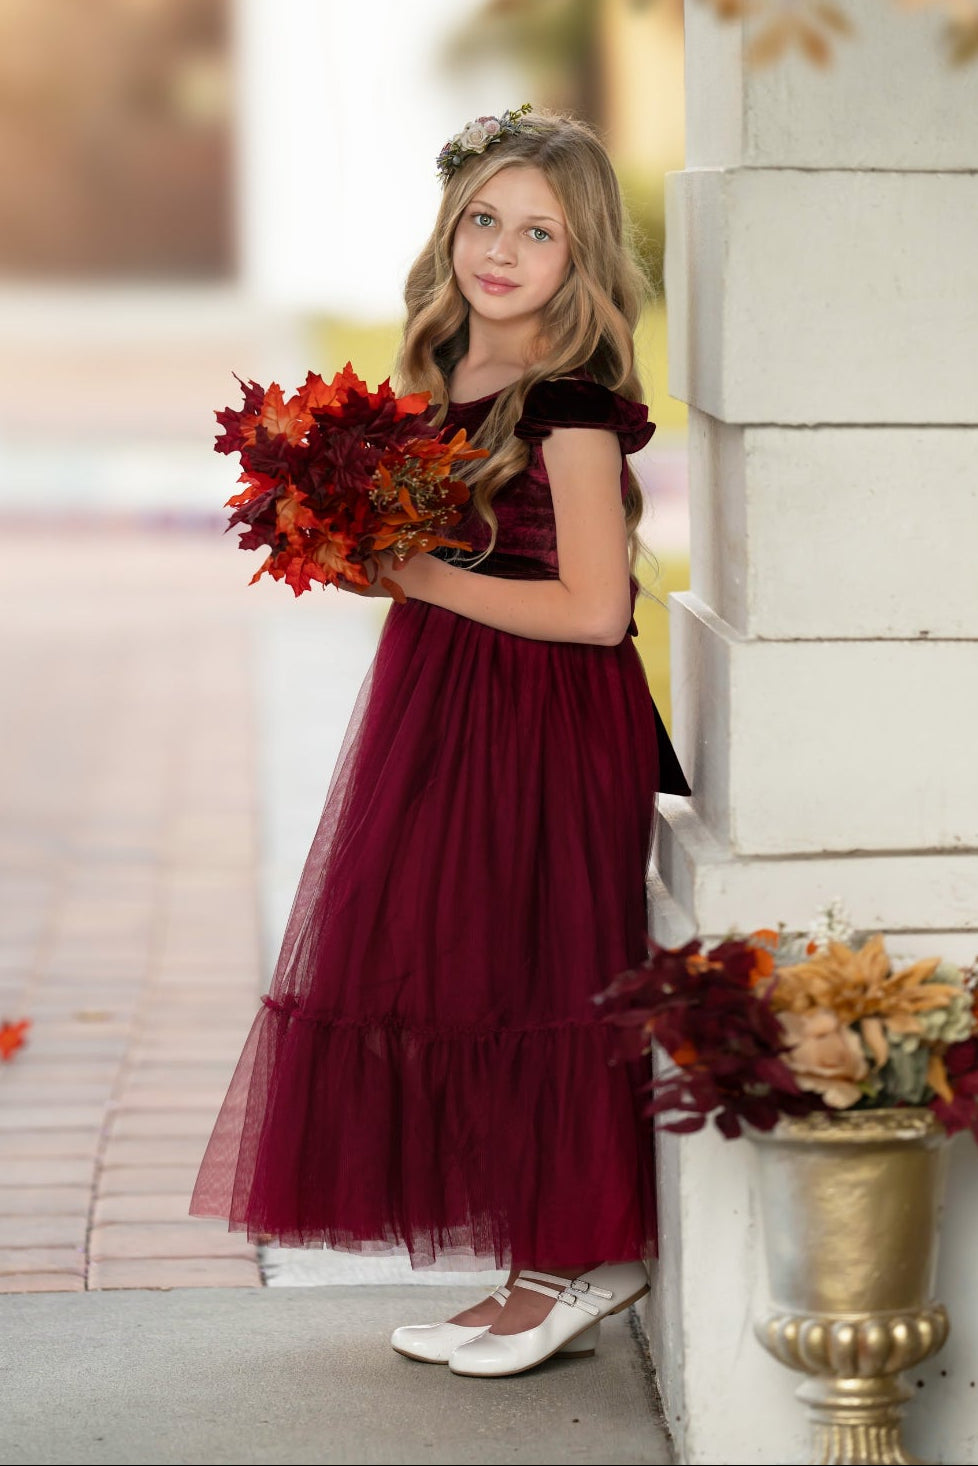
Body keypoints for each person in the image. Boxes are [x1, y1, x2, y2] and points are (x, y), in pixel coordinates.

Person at [191, 105, 689, 1379]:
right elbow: (439, 562)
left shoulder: (569, 404)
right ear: (449, 229)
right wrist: (346, 544)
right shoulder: (446, 381)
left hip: (546, 718)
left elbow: (591, 609)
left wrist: (418, 575)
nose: (504, 252)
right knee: (466, 963)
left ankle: (578, 1257)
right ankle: (529, 1251)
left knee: (545, 969)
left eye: (542, 232)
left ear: (583, 261)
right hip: (449, 701)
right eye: (486, 220)